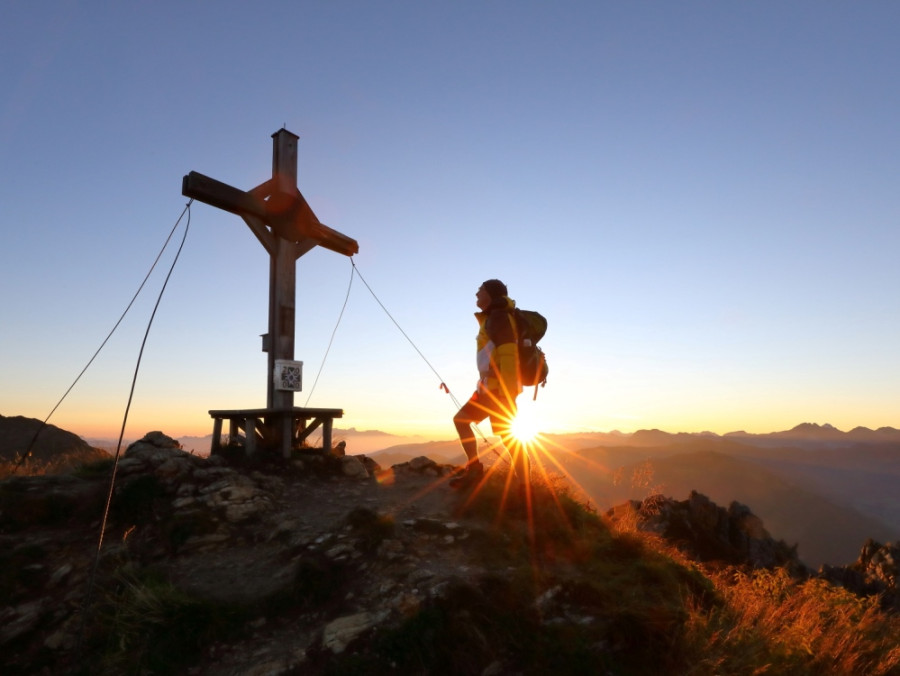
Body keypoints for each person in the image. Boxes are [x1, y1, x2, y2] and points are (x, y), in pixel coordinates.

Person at [450, 279, 528, 490]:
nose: (476, 293)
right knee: (462, 421)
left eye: (480, 289)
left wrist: (506, 393)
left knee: (509, 438)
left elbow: (509, 354)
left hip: (498, 390)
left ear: (491, 294)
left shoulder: (499, 317)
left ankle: (524, 489)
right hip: (488, 388)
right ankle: (477, 471)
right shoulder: (493, 317)